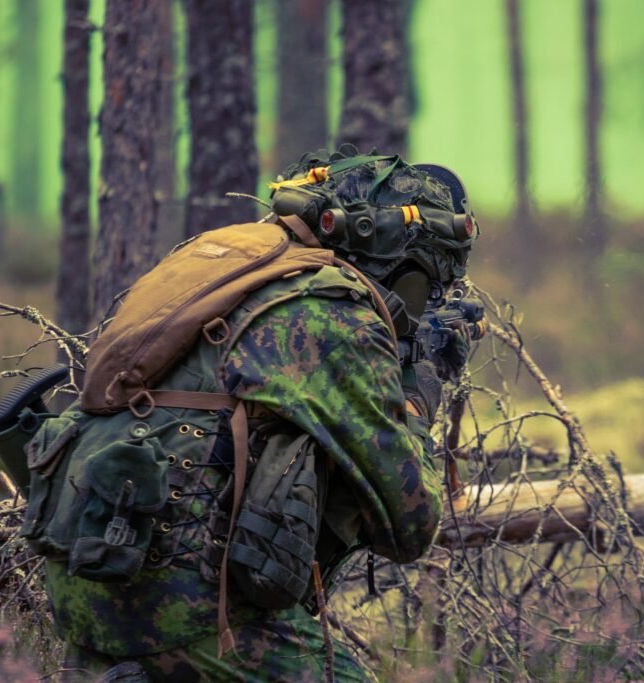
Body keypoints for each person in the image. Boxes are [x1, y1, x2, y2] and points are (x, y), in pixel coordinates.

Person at [34, 151, 477, 681]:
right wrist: (418, 393)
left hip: (83, 581)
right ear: (401, 261)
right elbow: (412, 525)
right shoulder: (334, 315)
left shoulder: (227, 265)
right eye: (429, 285)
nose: (427, 304)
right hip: (186, 610)